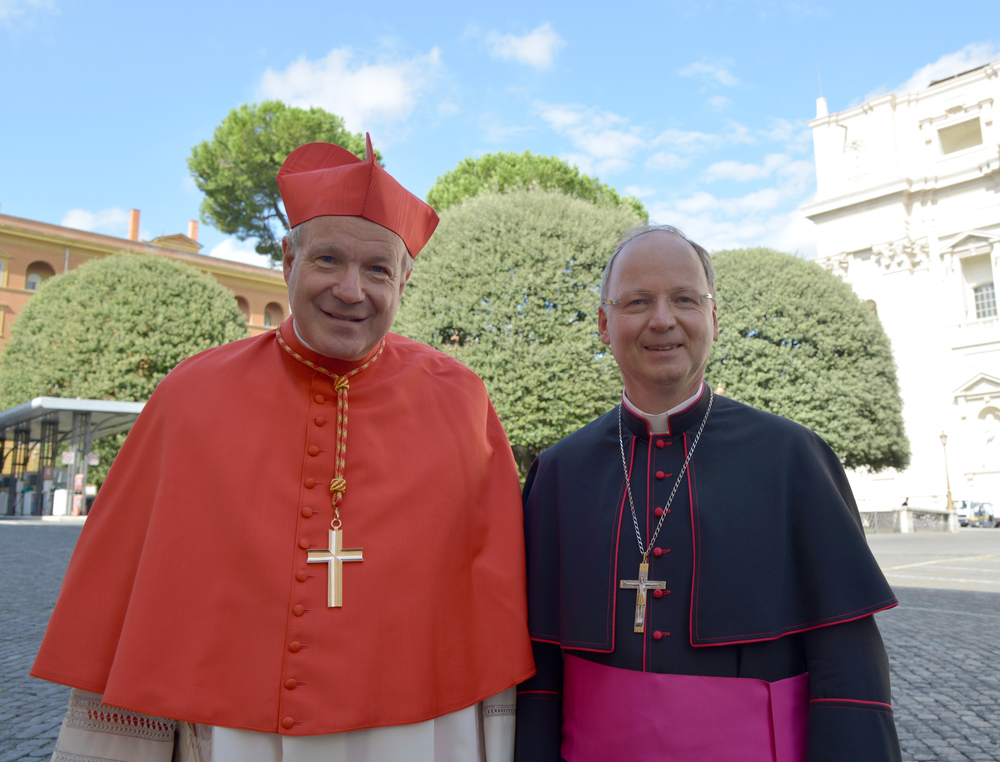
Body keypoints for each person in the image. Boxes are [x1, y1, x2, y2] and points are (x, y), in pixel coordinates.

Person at [32, 136, 535, 762]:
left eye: (378, 269)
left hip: (423, 732)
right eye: (328, 260)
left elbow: (491, 599)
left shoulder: (461, 400)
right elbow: (135, 597)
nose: (352, 290)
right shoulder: (190, 395)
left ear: (405, 281)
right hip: (236, 730)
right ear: (287, 258)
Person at [514, 225, 902, 762]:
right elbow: (540, 669)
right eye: (637, 301)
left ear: (714, 318)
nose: (662, 319)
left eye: (684, 299)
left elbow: (848, 665)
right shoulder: (560, 471)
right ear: (604, 325)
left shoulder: (792, 457)